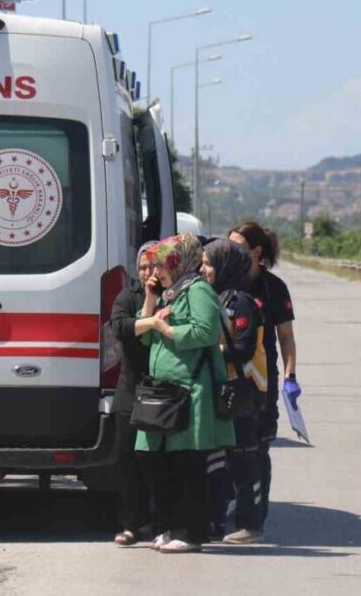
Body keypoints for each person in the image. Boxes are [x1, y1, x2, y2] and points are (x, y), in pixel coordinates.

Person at [134, 233, 235, 553]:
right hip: (165, 392)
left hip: (192, 392)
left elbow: (206, 331)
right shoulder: (170, 293)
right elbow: (144, 339)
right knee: (156, 459)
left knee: (187, 464)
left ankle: (190, 532)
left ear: (181, 263)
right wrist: (151, 304)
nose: (156, 272)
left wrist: (167, 329)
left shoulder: (198, 290)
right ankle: (169, 525)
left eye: (163, 265)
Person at [228, 222, 297, 525]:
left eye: (237, 246)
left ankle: (257, 512)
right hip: (229, 374)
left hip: (262, 378)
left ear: (256, 251)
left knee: (259, 445)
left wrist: (290, 377)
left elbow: (285, 338)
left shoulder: (273, 288)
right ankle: (233, 504)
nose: (231, 252)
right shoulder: (226, 281)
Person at [201, 239, 267, 543]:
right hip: (222, 389)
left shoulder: (240, 301)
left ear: (225, 266)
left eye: (208, 263)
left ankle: (250, 524)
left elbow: (243, 348)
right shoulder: (217, 297)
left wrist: (207, 348)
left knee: (243, 461)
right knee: (218, 460)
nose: (203, 269)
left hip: (241, 391)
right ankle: (215, 521)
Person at [109, 242, 158, 546]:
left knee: (156, 462)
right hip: (130, 390)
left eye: (153, 266)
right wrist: (150, 315)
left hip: (163, 393)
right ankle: (133, 524)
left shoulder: (173, 296)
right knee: (126, 460)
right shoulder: (127, 297)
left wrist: (153, 305)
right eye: (142, 266)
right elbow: (123, 329)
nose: (146, 272)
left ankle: (162, 522)